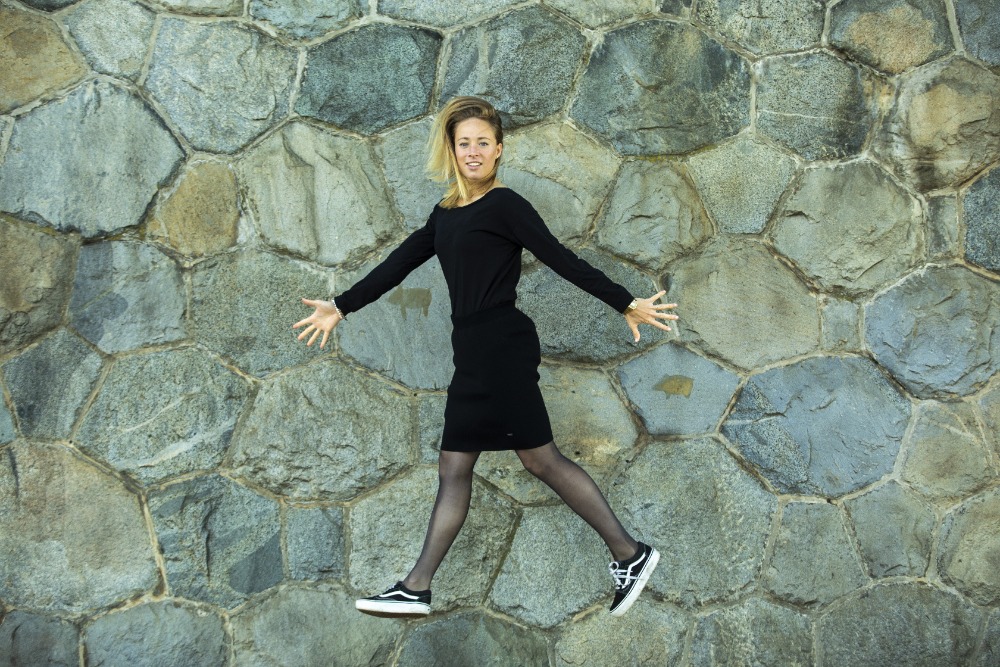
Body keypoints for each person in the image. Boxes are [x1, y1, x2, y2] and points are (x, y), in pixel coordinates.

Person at [293, 96, 677, 618]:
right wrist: (341, 306)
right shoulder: (446, 213)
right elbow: (398, 263)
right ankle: (416, 587)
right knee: (455, 466)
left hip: (501, 348)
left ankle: (629, 553)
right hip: (473, 352)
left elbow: (561, 259)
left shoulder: (506, 205)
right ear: (451, 150)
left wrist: (625, 302)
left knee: (539, 460)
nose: (472, 151)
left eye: (482, 142)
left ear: (499, 149)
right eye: (463, 143)